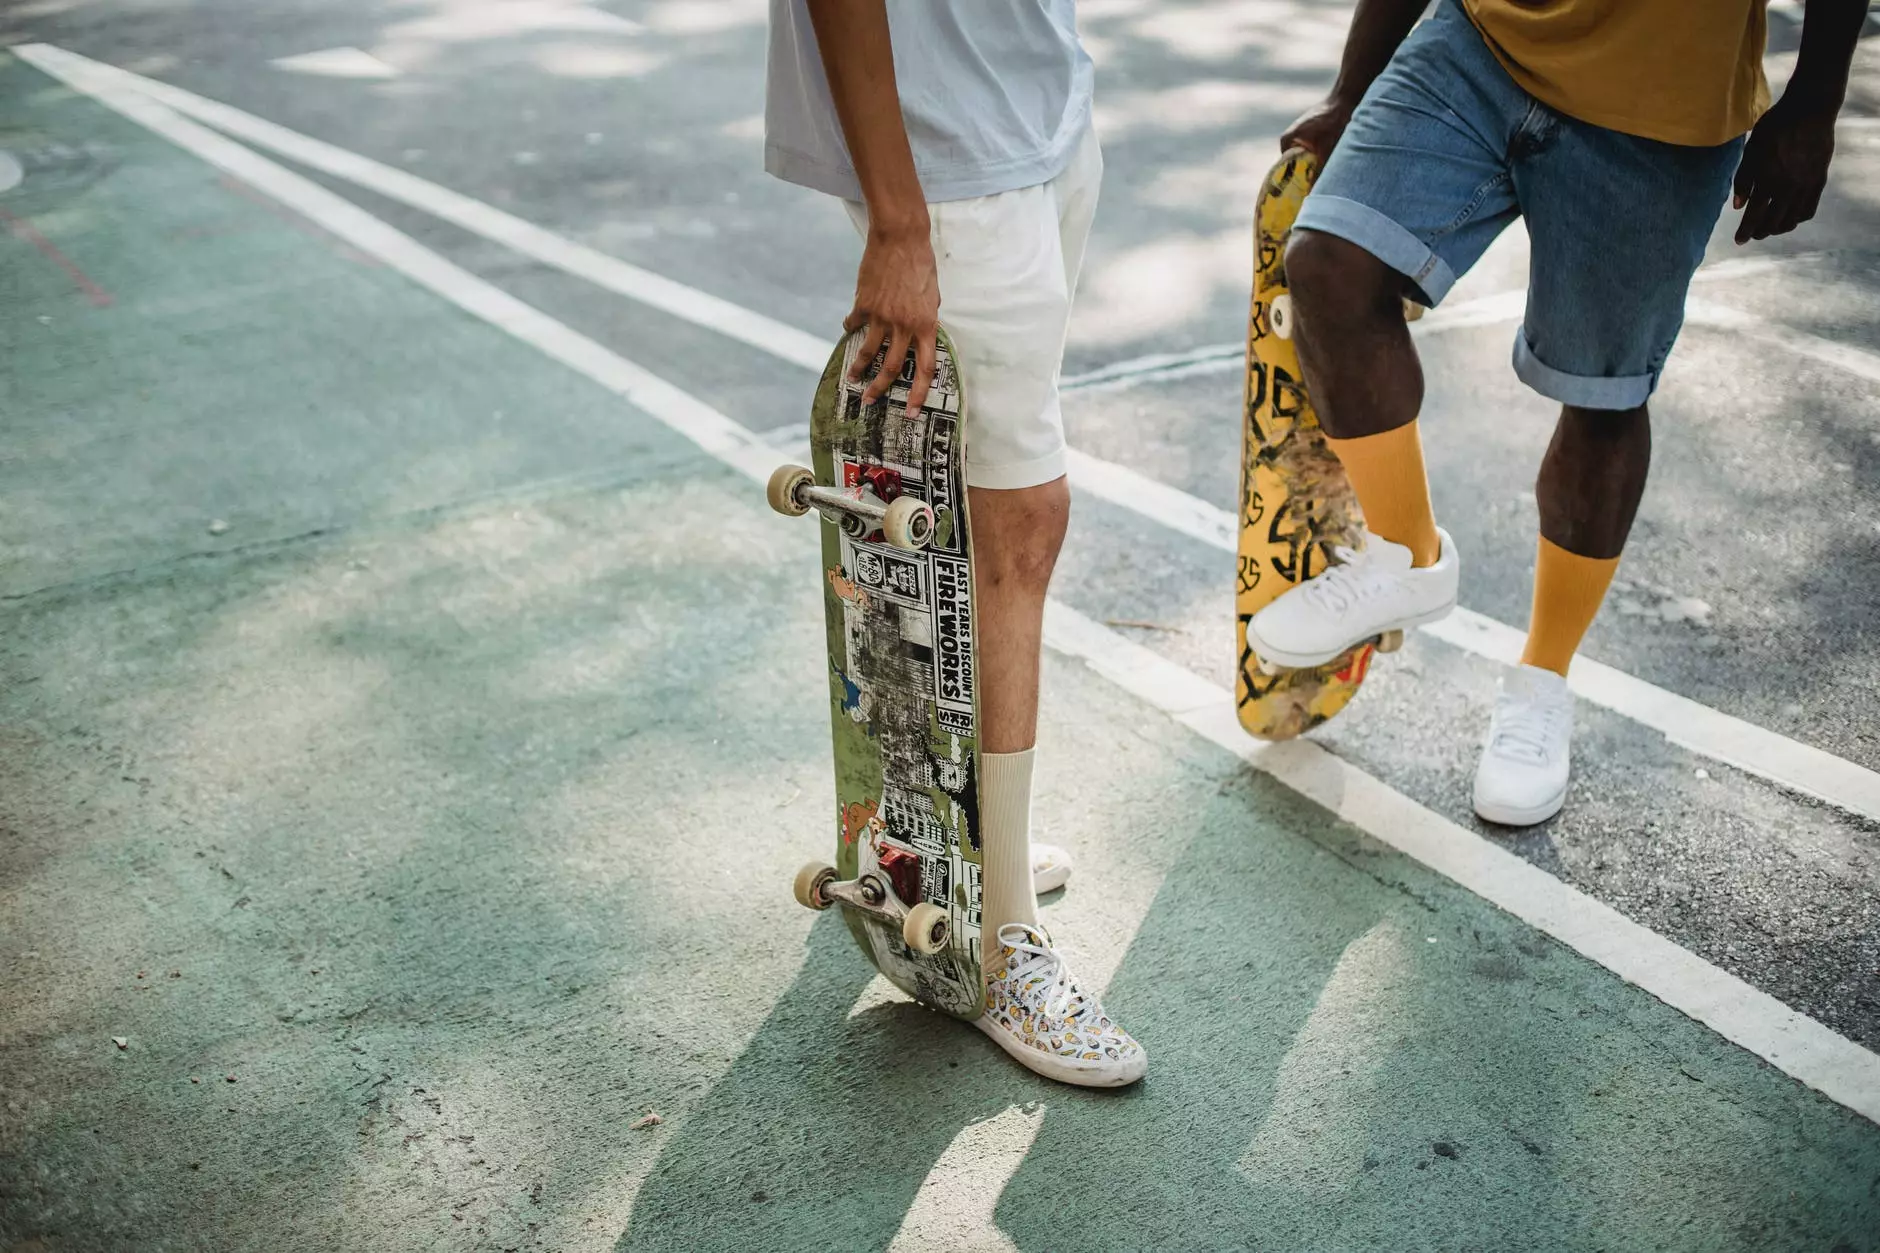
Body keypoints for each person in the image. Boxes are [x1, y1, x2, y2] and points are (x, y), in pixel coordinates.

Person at [1247, 0, 1869, 826]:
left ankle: (1541, 680)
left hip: (1664, 101)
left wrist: (1815, 100)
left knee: (1603, 393)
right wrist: (1353, 88)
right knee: (1329, 265)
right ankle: (1406, 559)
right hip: (1479, 38)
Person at [766, 0, 1145, 1086]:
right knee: (1019, 523)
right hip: (946, 166)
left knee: (984, 507)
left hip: (1044, 110)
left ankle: (971, 849)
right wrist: (896, 219)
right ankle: (1001, 946)